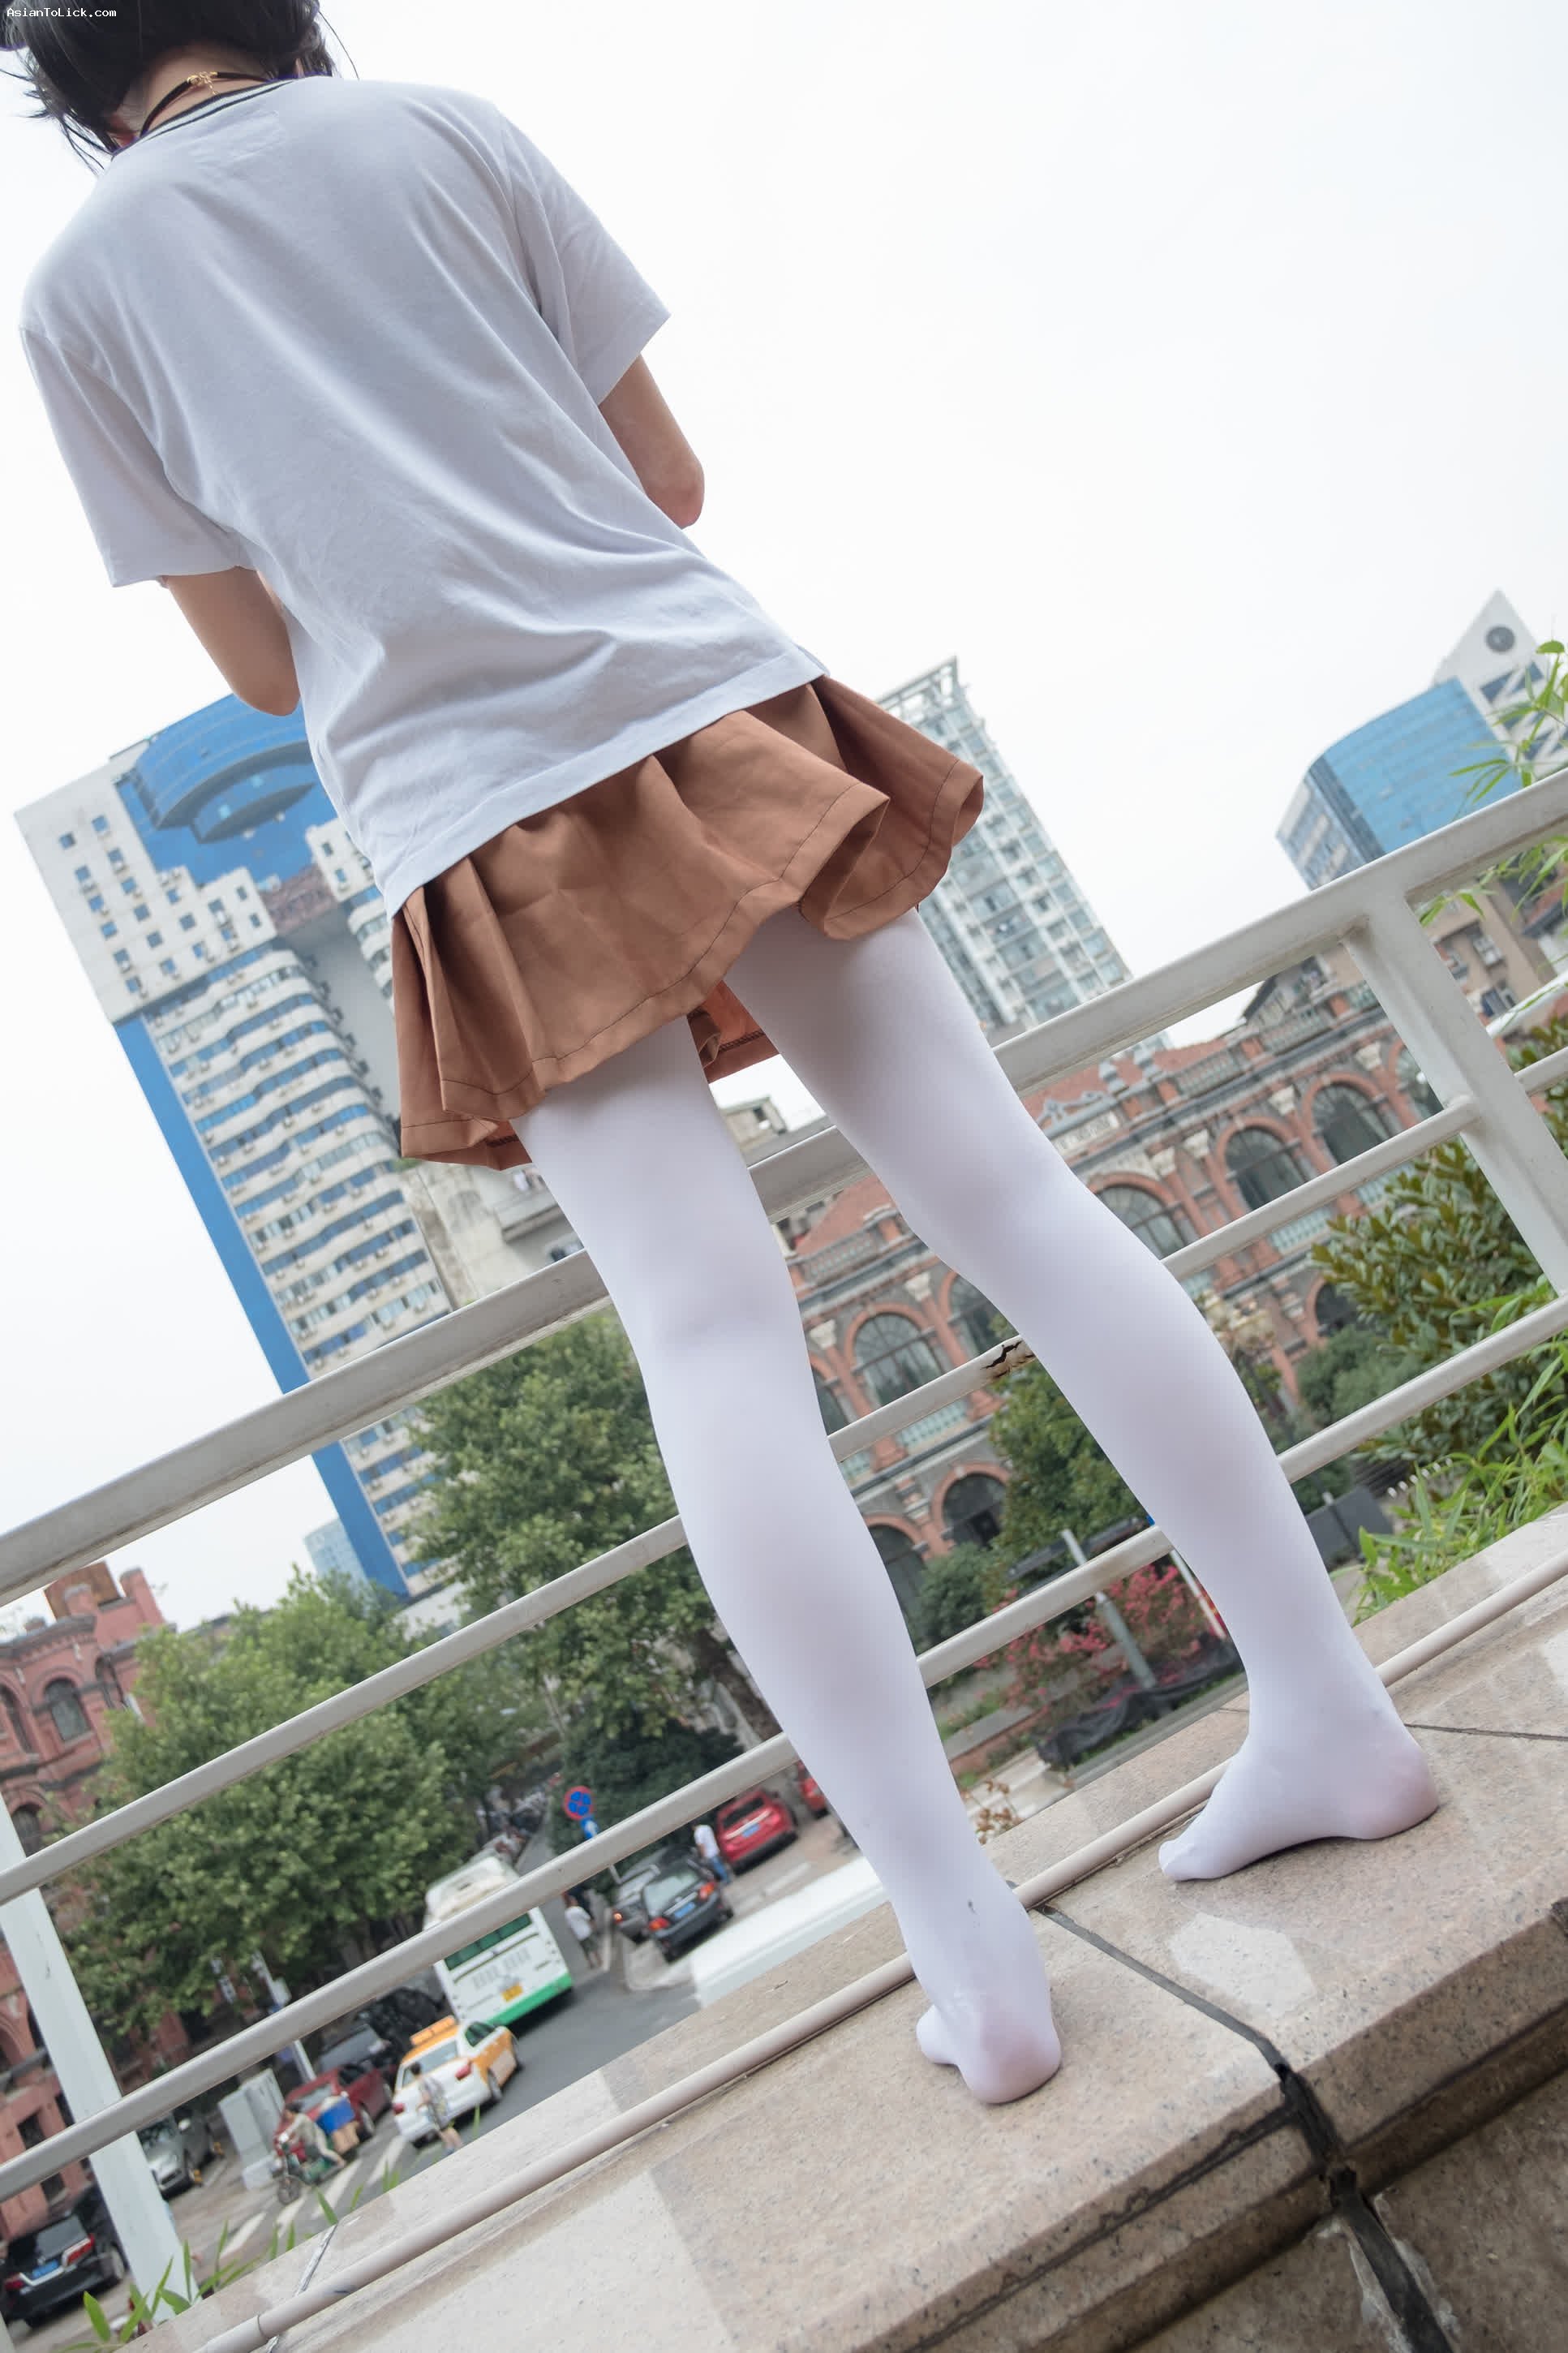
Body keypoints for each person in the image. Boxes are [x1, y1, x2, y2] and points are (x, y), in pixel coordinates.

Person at [7, 3, 1439, 2110]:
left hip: (478, 812)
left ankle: (970, 1949)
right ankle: (1325, 1708)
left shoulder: (82, 287)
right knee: (1012, 1194)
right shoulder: (440, 129)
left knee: (704, 1330)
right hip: (706, 702)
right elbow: (665, 477)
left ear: (79, 87)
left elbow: (257, 665)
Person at [405, 2059, 462, 2156]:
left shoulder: (421, 2083)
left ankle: (457, 2145)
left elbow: (427, 2098)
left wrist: (418, 2106)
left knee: (445, 2128)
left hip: (435, 2108)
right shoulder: (428, 2077)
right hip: (441, 2103)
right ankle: (451, 2145)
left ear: (412, 2073)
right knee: (443, 2128)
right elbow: (440, 2088)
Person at [693, 1820, 732, 1886]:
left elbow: (701, 1845)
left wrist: (703, 1855)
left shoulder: (697, 1833)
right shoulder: (707, 1827)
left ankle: (727, 1880)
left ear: (693, 1827)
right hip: (715, 1849)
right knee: (721, 1865)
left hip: (710, 1853)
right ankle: (728, 1877)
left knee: (718, 1867)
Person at [562, 1896, 599, 1966]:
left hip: (579, 1935)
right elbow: (588, 1918)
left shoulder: (567, 1913)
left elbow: (570, 1927)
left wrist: (574, 1935)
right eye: (574, 1900)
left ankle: (590, 1963)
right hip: (587, 1931)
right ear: (572, 1902)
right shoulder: (579, 1909)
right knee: (593, 1947)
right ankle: (599, 1960)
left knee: (585, 1951)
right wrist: (593, 1927)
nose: (576, 1901)